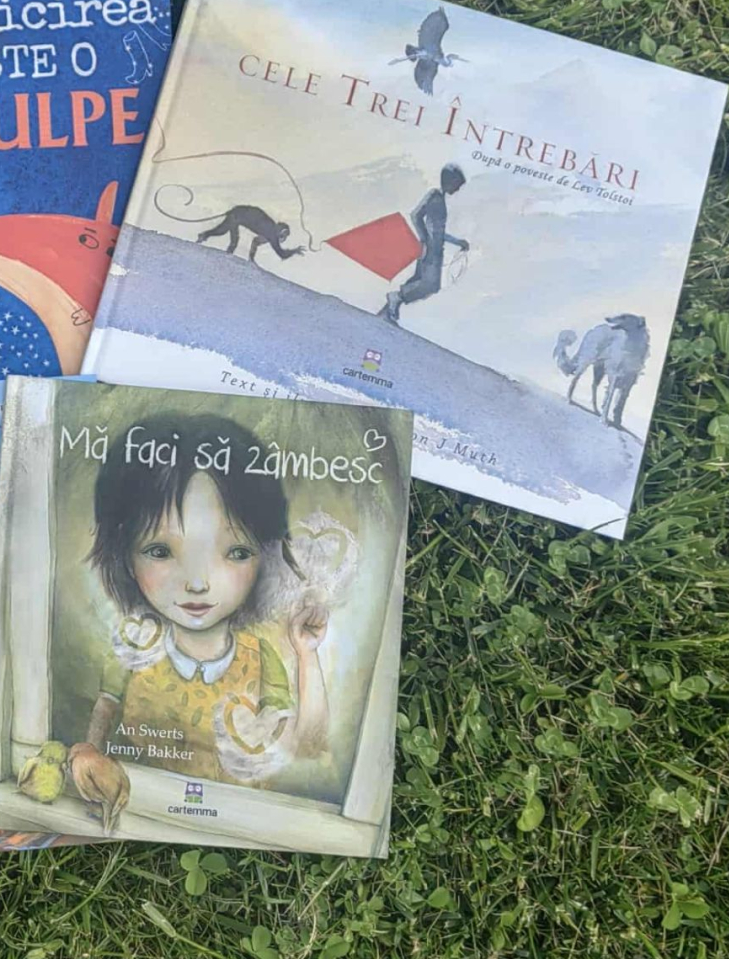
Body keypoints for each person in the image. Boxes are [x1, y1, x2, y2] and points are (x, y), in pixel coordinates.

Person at [70, 413, 329, 791]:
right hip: (144, 807)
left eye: (236, 552)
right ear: (124, 555)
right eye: (161, 551)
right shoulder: (133, 647)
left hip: (240, 812)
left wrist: (307, 655)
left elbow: (307, 746)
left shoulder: (261, 659)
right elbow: (101, 725)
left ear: (265, 557)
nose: (196, 584)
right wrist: (88, 755)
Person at [381, 163, 468, 324]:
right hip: (430, 250)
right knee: (430, 286)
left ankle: (389, 309)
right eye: (457, 184)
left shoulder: (440, 199)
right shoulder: (434, 195)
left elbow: (439, 232)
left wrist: (457, 242)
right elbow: (415, 215)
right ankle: (396, 297)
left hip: (435, 249)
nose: (457, 189)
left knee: (418, 281)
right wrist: (424, 239)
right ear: (449, 181)